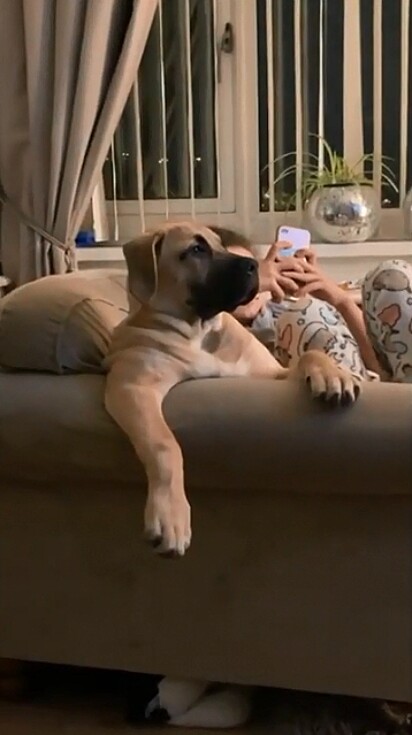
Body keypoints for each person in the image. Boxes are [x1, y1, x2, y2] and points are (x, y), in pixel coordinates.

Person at [209, 226, 412, 384]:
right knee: (306, 312)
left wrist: (341, 301)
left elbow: (378, 368)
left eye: (253, 268)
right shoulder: (209, 331)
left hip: (381, 391)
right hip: (334, 406)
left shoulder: (287, 307)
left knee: (392, 275)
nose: (250, 280)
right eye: (236, 274)